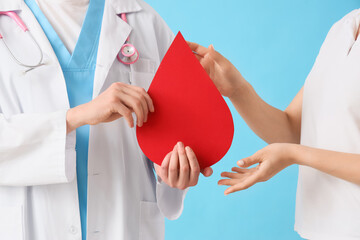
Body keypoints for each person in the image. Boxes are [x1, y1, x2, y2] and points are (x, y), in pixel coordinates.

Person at [0, 0, 212, 239]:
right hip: (35, 225)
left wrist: (172, 173)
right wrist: (77, 117)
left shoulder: (145, 21)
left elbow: (173, 135)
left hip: (124, 223)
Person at [189, 9, 360, 240]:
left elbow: (294, 147)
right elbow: (292, 130)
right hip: (322, 230)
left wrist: (293, 154)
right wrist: (238, 90)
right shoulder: (343, 28)